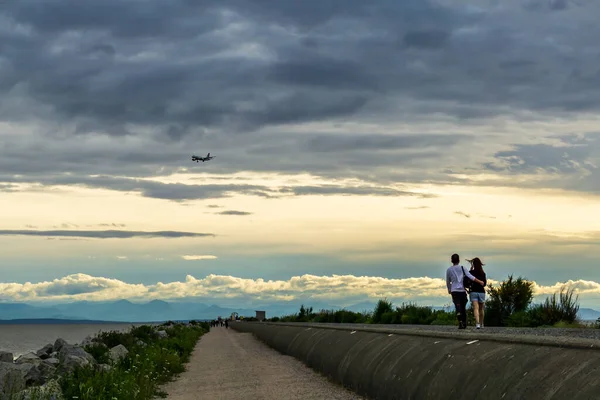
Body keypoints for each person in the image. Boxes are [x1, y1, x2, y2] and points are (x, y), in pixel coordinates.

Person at [446, 253, 485, 329]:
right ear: (459, 260)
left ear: (451, 261)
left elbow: (448, 281)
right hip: (462, 291)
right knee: (463, 306)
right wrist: (480, 281)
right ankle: (464, 322)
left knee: (457, 305)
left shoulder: (449, 270)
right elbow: (471, 277)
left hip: (454, 290)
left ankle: (460, 319)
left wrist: (449, 289)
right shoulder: (463, 268)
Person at [467, 257, 487, 329]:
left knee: (476, 308)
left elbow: (467, 279)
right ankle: (482, 323)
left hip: (473, 291)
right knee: (481, 309)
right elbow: (484, 284)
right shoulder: (483, 273)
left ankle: (477, 323)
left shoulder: (471, 273)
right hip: (481, 292)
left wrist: (470, 270)